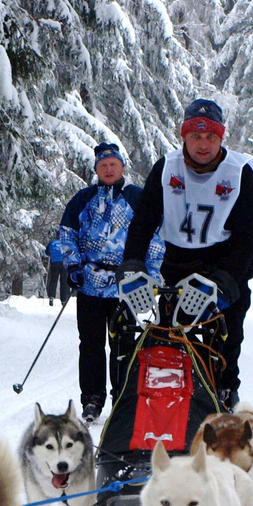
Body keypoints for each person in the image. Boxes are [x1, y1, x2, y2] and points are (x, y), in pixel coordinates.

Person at [120, 98, 253, 409]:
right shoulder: (166, 168)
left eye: (211, 136)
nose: (203, 144)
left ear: (221, 138)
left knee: (226, 337)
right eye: (196, 136)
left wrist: (223, 281)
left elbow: (246, 237)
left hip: (225, 262)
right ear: (183, 136)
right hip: (178, 262)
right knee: (169, 336)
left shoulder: (240, 173)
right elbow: (142, 222)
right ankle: (165, 405)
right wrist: (131, 265)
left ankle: (225, 392)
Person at [47, 143, 165, 424]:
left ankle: (123, 398)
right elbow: (66, 234)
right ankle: (91, 400)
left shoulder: (138, 198)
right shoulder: (82, 199)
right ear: (96, 170)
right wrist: (72, 264)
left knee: (125, 344)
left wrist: (152, 275)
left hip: (127, 285)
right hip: (89, 284)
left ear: (123, 167)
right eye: (103, 165)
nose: (109, 169)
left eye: (114, 164)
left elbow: (156, 237)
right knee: (90, 344)